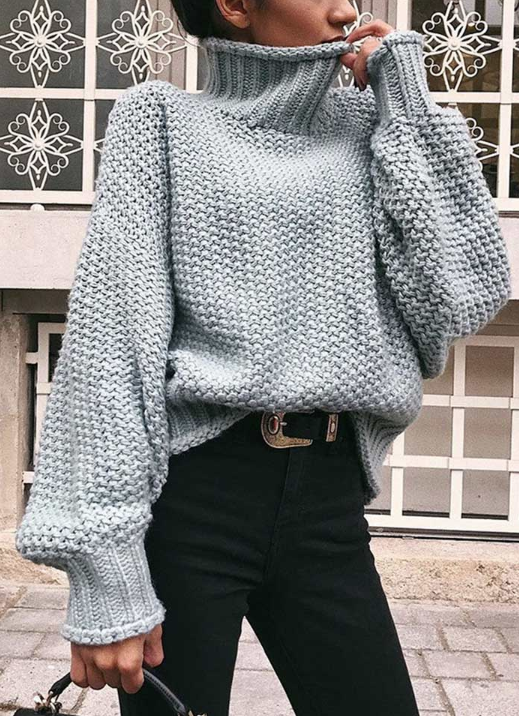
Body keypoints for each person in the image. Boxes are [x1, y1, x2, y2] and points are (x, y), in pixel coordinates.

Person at [15, 0, 512, 715]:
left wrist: (406, 102)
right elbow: (110, 345)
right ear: (236, 5)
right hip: (195, 499)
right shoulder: (161, 123)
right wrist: (105, 575)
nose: (346, 8)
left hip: (326, 500)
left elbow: (460, 296)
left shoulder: (373, 126)